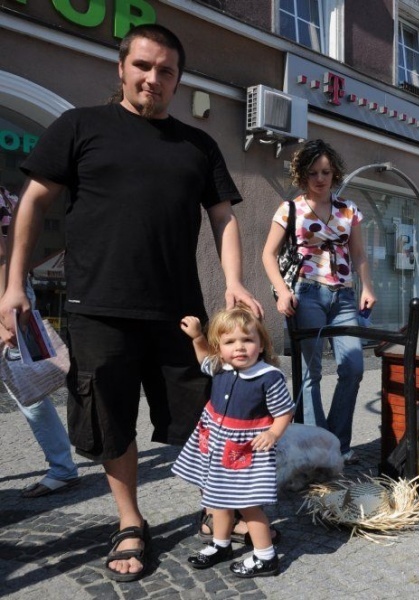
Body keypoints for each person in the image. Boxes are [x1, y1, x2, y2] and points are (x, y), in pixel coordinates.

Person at [0, 24, 261, 581]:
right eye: (143, 65)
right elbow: (34, 202)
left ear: (178, 80)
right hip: (99, 306)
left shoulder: (198, 145)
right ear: (121, 68)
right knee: (111, 421)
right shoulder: (79, 127)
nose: (153, 78)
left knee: (205, 416)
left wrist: (234, 282)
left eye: (166, 70)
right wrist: (14, 284)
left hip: (180, 312)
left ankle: (215, 507)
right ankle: (129, 521)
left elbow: (223, 217)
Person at [262, 139, 376, 463]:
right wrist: (282, 291)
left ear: (334, 172)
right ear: (302, 174)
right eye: (313, 172)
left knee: (353, 367)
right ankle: (318, 448)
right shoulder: (290, 209)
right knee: (310, 372)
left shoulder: (348, 209)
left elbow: (359, 254)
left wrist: (367, 288)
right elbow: (268, 254)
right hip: (306, 291)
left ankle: (338, 443)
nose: (320, 178)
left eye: (325, 172)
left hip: (344, 295)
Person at [173, 306, 293, 578]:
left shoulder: (268, 377)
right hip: (216, 446)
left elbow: (284, 412)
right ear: (220, 347)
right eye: (229, 342)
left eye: (247, 340)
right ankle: (221, 544)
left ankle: (266, 556)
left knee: (249, 505)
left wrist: (273, 434)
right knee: (217, 500)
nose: (239, 347)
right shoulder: (221, 366)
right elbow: (204, 359)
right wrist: (197, 337)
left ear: (261, 344)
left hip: (245, 451)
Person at [0, 185, 79, 498]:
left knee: (26, 385)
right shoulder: (8, 195)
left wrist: (4, 309)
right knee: (25, 386)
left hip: (5, 296)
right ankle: (62, 467)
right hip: (12, 292)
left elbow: (2, 255)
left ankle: (62, 468)